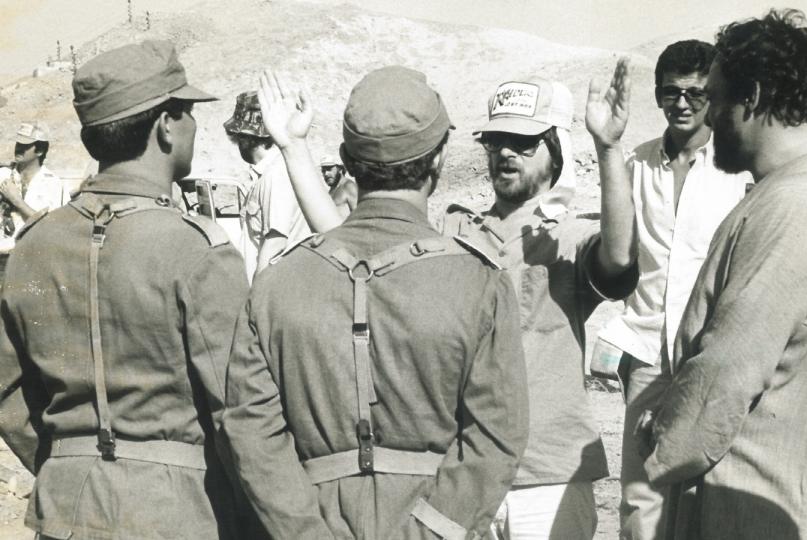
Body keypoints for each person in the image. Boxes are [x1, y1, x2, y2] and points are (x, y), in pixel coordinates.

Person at [222, 68, 530, 539]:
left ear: (346, 160)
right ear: (440, 159)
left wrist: (305, 531)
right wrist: (433, 530)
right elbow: (496, 435)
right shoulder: (479, 282)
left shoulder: (274, 285)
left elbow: (252, 435)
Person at [640, 10, 807, 539]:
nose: (711, 119)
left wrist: (660, 432)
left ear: (750, 97)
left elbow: (727, 372)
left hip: (756, 508)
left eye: (719, 99)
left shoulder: (798, 204)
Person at [0, 40, 259, 539]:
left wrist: (67, 464)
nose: (194, 127)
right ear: (166, 125)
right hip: (177, 513)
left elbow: (8, 390)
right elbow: (242, 415)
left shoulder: (34, 245)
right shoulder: (198, 249)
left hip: (66, 513)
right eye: (187, 113)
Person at [440, 66, 639, 538]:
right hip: (465, 471)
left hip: (550, 476)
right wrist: (294, 150)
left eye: (523, 142)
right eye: (496, 141)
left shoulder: (568, 239)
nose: (505, 152)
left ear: (556, 152)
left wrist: (608, 148)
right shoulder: (457, 232)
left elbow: (619, 260)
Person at [589, 39, 753, 540]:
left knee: (718, 490)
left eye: (695, 94)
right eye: (669, 93)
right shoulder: (635, 165)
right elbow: (616, 255)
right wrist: (607, 147)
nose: (681, 104)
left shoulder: (741, 170)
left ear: (714, 97)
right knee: (642, 500)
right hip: (649, 356)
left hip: (716, 354)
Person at [224, 90, 342, 275]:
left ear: (244, 139)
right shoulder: (270, 173)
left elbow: (275, 242)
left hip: (276, 289)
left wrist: (256, 297)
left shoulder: (276, 174)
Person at [0, 121, 64, 254]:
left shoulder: (53, 184)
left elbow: (52, 226)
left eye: (25, 145)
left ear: (40, 151)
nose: (18, 148)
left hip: (30, 257)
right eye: (18, 143)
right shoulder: (3, 175)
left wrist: (17, 201)